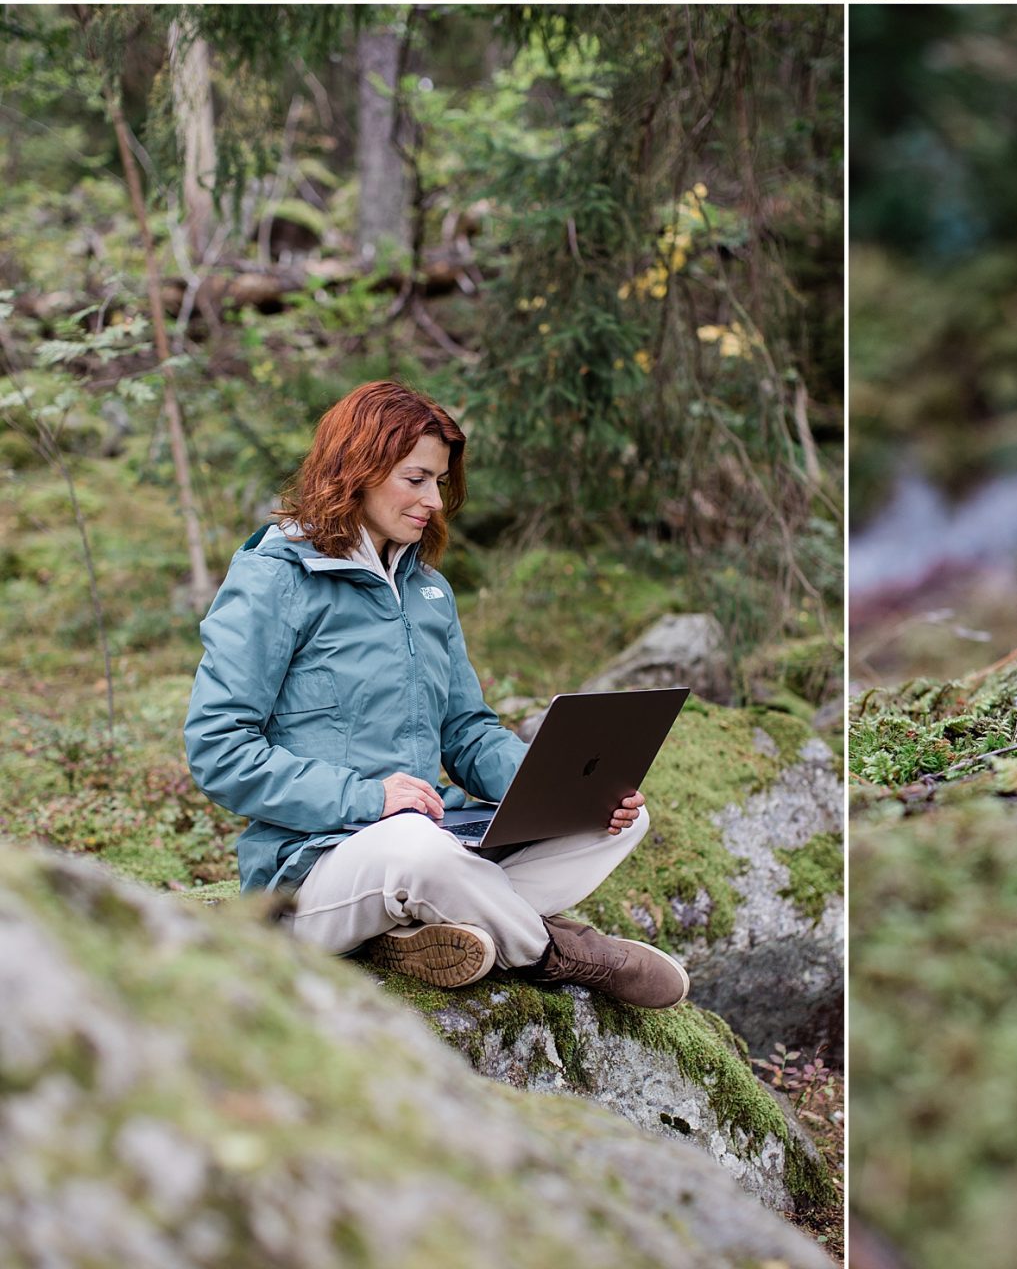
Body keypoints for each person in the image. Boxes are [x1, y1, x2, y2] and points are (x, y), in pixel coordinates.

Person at [184, 381, 689, 1006]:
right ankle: (554, 952)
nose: (433, 501)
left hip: (428, 839)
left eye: (440, 483)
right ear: (357, 469)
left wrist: (553, 787)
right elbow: (218, 749)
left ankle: (430, 931)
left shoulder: (427, 590)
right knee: (417, 851)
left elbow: (467, 731)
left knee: (620, 821)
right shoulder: (274, 580)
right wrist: (366, 796)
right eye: (415, 478)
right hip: (311, 869)